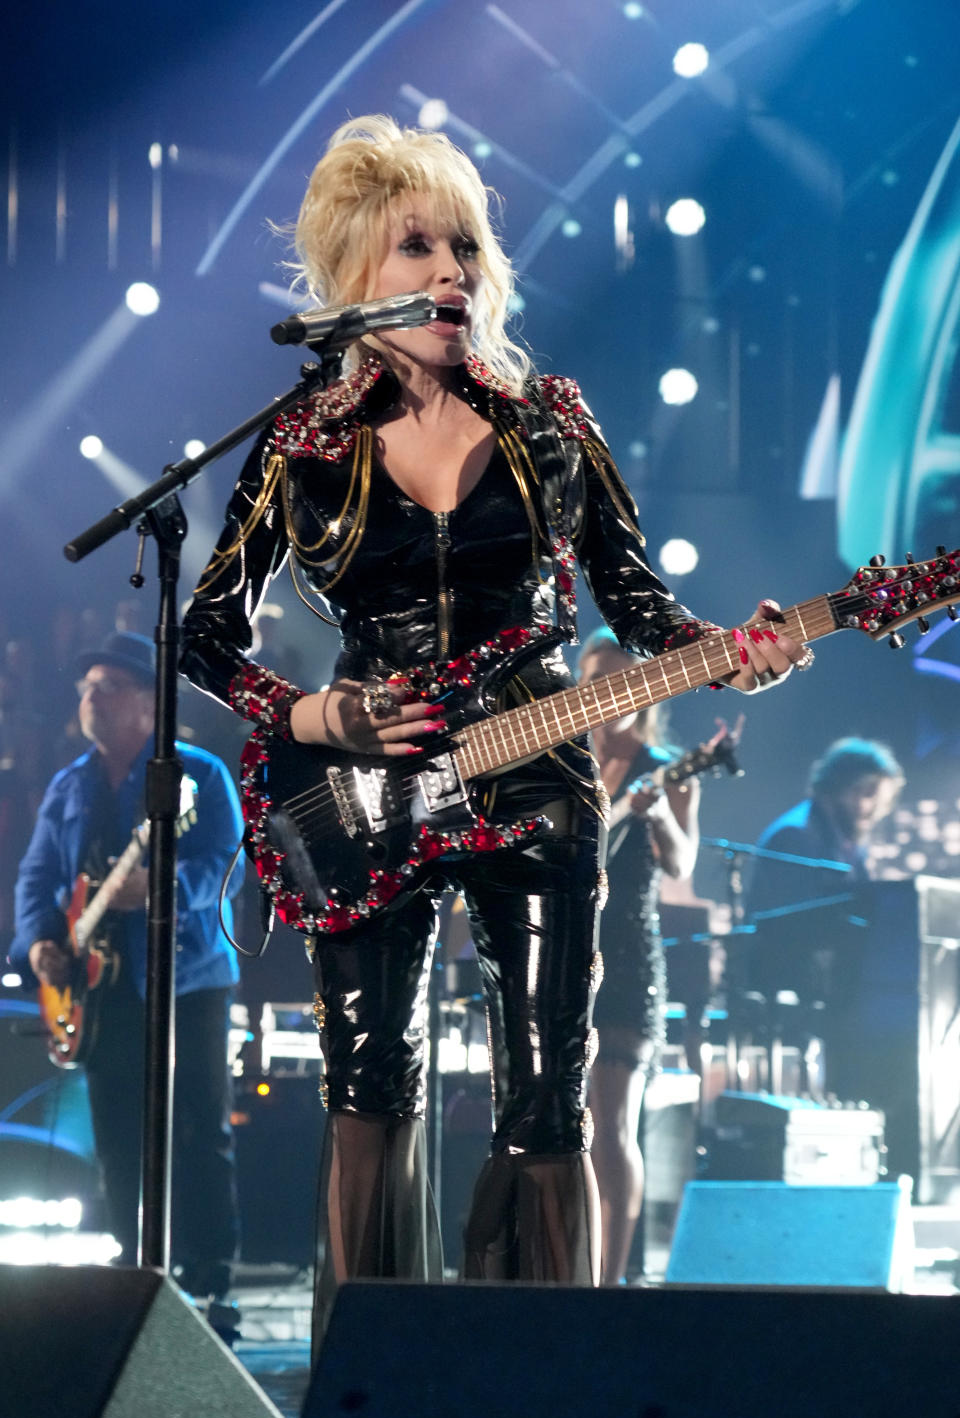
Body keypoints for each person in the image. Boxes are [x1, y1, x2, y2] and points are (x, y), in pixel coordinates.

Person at [177, 113, 808, 1341]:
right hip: (364, 791)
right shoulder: (302, 444)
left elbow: (641, 607)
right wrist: (315, 712)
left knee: (546, 1098)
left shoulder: (550, 420)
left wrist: (739, 657)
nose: (452, 270)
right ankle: (376, 1372)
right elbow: (204, 634)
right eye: (419, 246)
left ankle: (537, 1382)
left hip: (539, 776)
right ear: (357, 272)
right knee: (368, 1085)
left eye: (465, 246)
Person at [9, 631, 244, 1301]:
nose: (91, 700)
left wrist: (162, 891)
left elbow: (227, 868)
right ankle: (130, 1261)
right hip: (97, 987)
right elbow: (38, 875)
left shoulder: (198, 774)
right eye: (86, 690)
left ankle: (208, 1270)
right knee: (116, 1125)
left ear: (148, 701)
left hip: (188, 978)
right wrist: (37, 943)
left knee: (200, 1123)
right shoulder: (68, 782)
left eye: (107, 688)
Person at [577, 628, 700, 1285]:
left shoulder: (667, 767)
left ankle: (609, 1278)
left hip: (626, 955)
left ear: (645, 690)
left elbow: (682, 863)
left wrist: (657, 817)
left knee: (615, 1121)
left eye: (620, 679)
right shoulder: (561, 759)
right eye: (594, 676)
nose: (605, 692)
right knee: (568, 1123)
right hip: (564, 952)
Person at [745, 737, 904, 1090]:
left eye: (876, 796)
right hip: (792, 983)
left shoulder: (843, 840)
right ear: (835, 786)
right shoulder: (796, 834)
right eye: (863, 793)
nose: (869, 807)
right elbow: (792, 927)